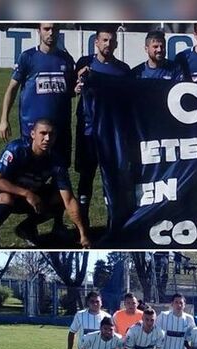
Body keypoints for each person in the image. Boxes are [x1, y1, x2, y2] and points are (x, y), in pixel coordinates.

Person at [0, 119, 91, 248]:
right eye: (43, 133)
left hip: (27, 194)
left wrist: (83, 235)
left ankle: (27, 228)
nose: (47, 138)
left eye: (51, 134)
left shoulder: (57, 161)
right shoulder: (17, 149)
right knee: (6, 199)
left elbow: (69, 200)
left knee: (58, 197)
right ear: (33, 134)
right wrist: (27, 194)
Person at [0, 23, 75, 204]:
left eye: (54, 29)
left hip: (60, 132)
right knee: (31, 176)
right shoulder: (28, 57)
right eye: (47, 28)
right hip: (32, 132)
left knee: (60, 177)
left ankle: (58, 223)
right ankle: (25, 214)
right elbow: (12, 89)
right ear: (38, 31)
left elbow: (70, 91)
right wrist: (4, 119)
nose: (51, 32)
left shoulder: (65, 59)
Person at [73, 26, 131, 220]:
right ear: (96, 42)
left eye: (111, 40)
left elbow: (128, 101)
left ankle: (113, 220)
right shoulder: (84, 64)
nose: (108, 44)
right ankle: (83, 220)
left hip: (111, 132)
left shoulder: (123, 70)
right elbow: (72, 90)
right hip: (87, 130)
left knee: (113, 176)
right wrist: (77, 87)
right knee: (86, 175)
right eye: (104, 40)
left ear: (116, 43)